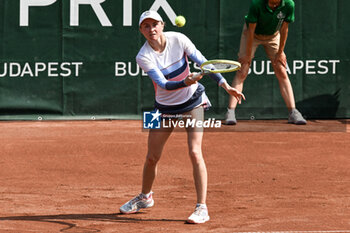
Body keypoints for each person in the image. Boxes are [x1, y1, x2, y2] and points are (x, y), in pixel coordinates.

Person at [119, 10, 245, 224]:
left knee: (195, 152)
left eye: (155, 24)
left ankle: (201, 207)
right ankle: (145, 197)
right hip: (163, 107)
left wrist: (224, 85)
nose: (152, 30)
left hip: (192, 102)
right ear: (141, 30)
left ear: (162, 24)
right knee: (151, 157)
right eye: (146, 26)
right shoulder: (143, 56)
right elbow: (164, 85)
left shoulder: (179, 39)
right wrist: (185, 81)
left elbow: (203, 62)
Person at [225, 0, 307, 125]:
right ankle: (230, 112)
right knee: (243, 70)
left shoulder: (289, 4)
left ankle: (293, 112)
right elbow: (251, 31)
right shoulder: (256, 4)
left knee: (281, 70)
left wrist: (280, 52)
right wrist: (247, 55)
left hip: (273, 36)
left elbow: (284, 29)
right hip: (253, 35)